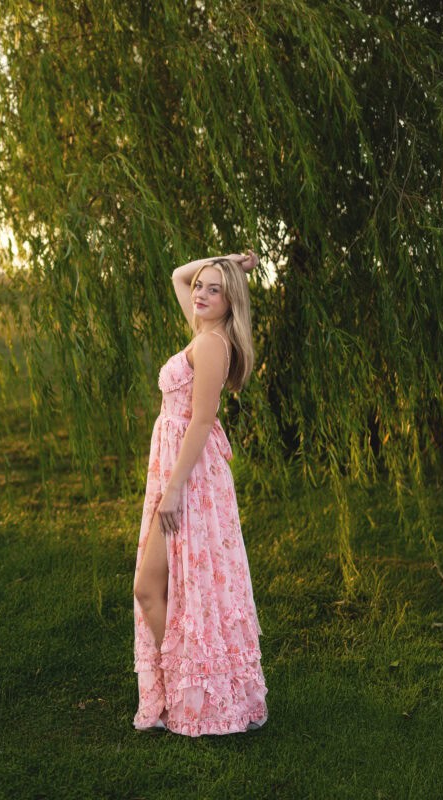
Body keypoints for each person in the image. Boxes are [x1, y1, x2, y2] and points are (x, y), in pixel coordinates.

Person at [132, 249, 268, 736]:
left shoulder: (211, 344)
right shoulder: (202, 329)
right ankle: (188, 690)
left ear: (231, 302)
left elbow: (203, 421)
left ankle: (195, 693)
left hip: (190, 480)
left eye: (215, 290)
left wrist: (172, 492)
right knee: (171, 586)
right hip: (179, 469)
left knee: (154, 587)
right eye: (202, 287)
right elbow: (177, 274)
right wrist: (229, 263)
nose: (201, 293)